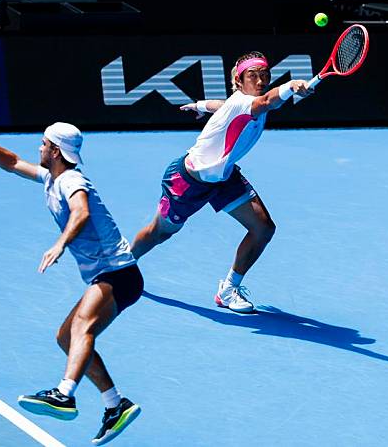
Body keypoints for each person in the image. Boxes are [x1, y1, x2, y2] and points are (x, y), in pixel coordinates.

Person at [0, 122, 142, 446]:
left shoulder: (71, 180)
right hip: (107, 275)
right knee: (66, 338)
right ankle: (115, 404)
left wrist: (60, 243)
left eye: (43, 144)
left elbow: (80, 212)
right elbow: (11, 162)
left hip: (119, 273)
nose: (38, 149)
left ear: (55, 150)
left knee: (82, 327)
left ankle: (64, 394)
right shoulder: (51, 178)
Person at [131, 51, 313, 313]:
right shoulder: (250, 103)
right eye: (253, 76)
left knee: (263, 228)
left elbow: (225, 105)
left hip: (224, 177)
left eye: (265, 75)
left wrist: (200, 105)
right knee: (160, 233)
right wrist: (291, 86)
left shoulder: (240, 101)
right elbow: (268, 101)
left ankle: (228, 290)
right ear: (239, 82)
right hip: (188, 181)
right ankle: (123, 262)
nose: (260, 80)